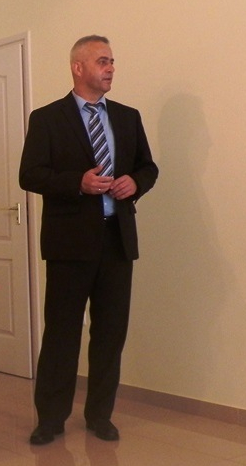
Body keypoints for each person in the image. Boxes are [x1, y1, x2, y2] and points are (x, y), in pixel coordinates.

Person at [19, 36, 158, 445]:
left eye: (112, 61)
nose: (110, 68)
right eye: (102, 61)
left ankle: (100, 415)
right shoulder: (47, 118)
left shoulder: (128, 117)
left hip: (117, 240)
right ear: (78, 67)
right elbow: (30, 175)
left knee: (110, 333)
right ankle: (50, 418)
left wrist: (135, 183)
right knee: (62, 333)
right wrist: (76, 183)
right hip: (69, 243)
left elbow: (148, 167)